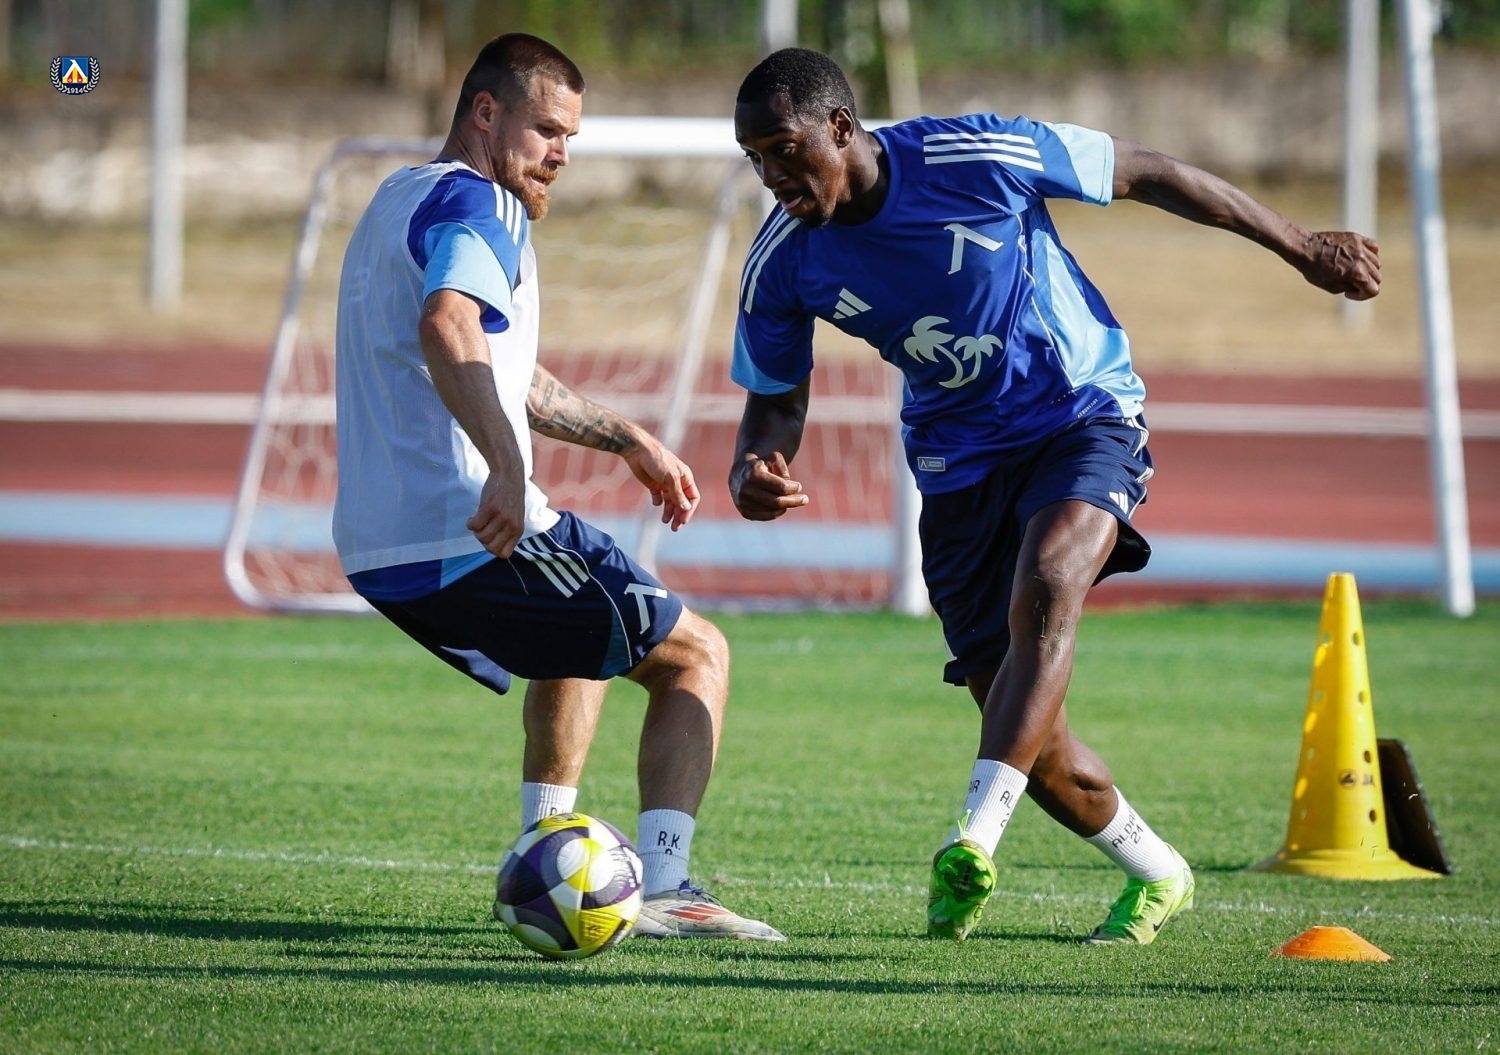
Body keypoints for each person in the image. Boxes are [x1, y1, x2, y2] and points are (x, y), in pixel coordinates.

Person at [728, 48, 1380, 945]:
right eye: (754, 157)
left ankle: (972, 839)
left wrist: (1300, 245)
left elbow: (1149, 172)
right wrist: (754, 465)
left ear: (841, 128)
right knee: (1041, 750)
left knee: (1050, 576)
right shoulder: (781, 260)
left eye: (783, 148)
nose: (770, 175)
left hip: (1081, 411)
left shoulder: (978, 155)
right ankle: (1159, 870)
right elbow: (775, 398)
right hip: (956, 467)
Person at [332, 32, 783, 942]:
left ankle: (543, 853)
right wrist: (506, 466)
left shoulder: (397, 198)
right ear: (485, 112)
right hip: (468, 528)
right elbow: (449, 325)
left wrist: (627, 438)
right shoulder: (485, 202)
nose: (561, 154)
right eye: (546, 130)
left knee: (581, 635)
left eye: (571, 136)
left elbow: (502, 371)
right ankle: (669, 885)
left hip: (380, 547)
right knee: (696, 656)